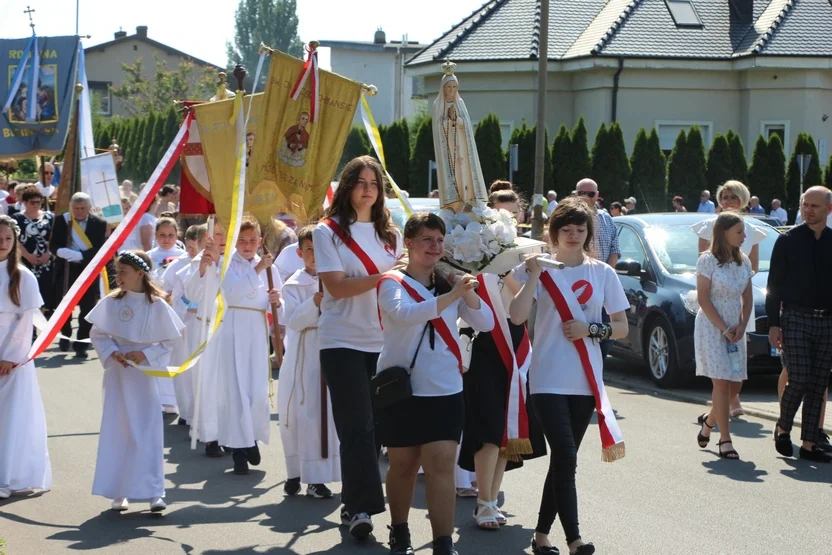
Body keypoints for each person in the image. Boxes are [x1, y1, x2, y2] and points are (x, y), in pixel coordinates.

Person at [510, 197, 628, 555]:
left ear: (588, 233)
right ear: (554, 233)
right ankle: (574, 538)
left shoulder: (602, 273)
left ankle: (542, 534)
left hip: (585, 379)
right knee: (565, 454)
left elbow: (621, 327)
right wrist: (533, 274)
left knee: (564, 459)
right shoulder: (539, 269)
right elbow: (516, 316)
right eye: (566, 230)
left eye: (580, 230)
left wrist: (591, 328)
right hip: (546, 377)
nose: (573, 236)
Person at [377, 213, 493, 555]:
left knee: (442, 463)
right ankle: (399, 531)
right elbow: (404, 314)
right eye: (427, 240)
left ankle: (443, 542)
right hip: (403, 390)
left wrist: (466, 292)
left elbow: (485, 322)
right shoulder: (390, 282)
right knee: (404, 465)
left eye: (439, 241)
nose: (434, 246)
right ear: (409, 244)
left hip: (444, 387)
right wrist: (451, 295)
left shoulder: (449, 282)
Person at [313, 155, 402, 539]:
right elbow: (336, 285)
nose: (368, 188)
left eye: (374, 182)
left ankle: (354, 502)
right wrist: (384, 276)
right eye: (360, 181)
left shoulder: (392, 235)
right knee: (356, 426)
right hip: (341, 340)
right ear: (347, 186)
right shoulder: (327, 231)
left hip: (385, 340)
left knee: (379, 428)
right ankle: (360, 507)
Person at [459, 190, 545, 532]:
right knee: (489, 429)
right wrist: (494, 263)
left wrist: (525, 269)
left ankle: (490, 499)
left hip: (515, 344)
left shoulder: (524, 258)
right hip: (484, 346)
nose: (508, 224)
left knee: (504, 432)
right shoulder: (473, 256)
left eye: (512, 217)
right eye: (500, 216)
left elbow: (523, 309)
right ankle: (483, 502)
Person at [86, 250, 184, 512]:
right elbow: (98, 334)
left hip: (145, 376)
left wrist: (145, 354)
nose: (118, 277)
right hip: (118, 374)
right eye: (116, 272)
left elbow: (169, 341)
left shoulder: (157, 305)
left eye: (123, 272)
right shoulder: (111, 302)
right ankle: (119, 490)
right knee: (119, 430)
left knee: (147, 431)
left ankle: (154, 491)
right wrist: (112, 352)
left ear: (140, 273)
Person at [189, 217, 282, 474]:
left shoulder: (268, 266)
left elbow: (274, 298)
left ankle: (251, 437)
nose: (248, 245)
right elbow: (232, 292)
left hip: (256, 331)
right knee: (237, 390)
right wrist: (257, 271)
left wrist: (276, 299)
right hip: (232, 330)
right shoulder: (228, 264)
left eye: (253, 240)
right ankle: (240, 450)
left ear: (260, 241)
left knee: (256, 390)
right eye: (242, 240)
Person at [768, 186, 832, 463]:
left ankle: (809, 444)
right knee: (800, 377)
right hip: (794, 317)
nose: (808, 210)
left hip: (827, 320)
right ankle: (783, 427)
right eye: (805, 204)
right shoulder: (788, 240)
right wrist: (773, 324)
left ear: (828, 210)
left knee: (819, 383)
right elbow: (774, 285)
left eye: (815, 206)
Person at [692, 181, 767, 417]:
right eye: (724, 197)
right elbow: (704, 261)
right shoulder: (708, 227)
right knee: (719, 364)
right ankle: (721, 407)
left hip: (737, 298)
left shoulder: (750, 230)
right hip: (715, 300)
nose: (728, 202)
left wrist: (737, 272)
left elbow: (752, 266)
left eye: (733, 197)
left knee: (737, 361)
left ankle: (726, 402)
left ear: (743, 200)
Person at [279, 225, 340, 500]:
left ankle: (319, 475)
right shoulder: (293, 284)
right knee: (305, 412)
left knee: (328, 414)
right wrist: (313, 302)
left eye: (320, 249)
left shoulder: (339, 278)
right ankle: (299, 472)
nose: (315, 255)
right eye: (309, 250)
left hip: (333, 346)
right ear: (299, 253)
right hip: (306, 351)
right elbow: (291, 320)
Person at [693, 212, 753, 460]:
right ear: (724, 232)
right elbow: (703, 298)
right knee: (721, 381)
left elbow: (747, 298)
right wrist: (723, 328)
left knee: (735, 384)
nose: (744, 236)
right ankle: (725, 440)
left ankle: (708, 422)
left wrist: (740, 324)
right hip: (712, 326)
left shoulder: (744, 261)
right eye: (739, 232)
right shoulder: (707, 260)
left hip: (735, 329)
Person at [0, 215, 51, 500]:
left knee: (10, 417)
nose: (3, 243)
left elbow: (25, 321)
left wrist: (11, 358)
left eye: (8, 238)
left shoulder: (23, 276)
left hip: (12, 357)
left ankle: (6, 475)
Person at [49, 192, 107, 358]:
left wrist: (81, 256)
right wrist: (61, 251)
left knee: (87, 307)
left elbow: (100, 249)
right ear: (71, 208)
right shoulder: (62, 221)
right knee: (64, 306)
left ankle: (81, 342)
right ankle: (65, 334)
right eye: (76, 208)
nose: (79, 212)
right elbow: (53, 244)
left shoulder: (99, 223)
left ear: (89, 208)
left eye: (83, 208)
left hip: (88, 269)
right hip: (66, 269)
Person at [161, 224, 207, 428]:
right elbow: (167, 294)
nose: (191, 251)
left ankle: (203, 412)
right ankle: (186, 411)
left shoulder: (212, 263)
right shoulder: (179, 265)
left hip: (207, 323)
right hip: (185, 323)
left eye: (195, 246)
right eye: (188, 246)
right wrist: (186, 304)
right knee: (184, 369)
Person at [432, 63, 488, 211]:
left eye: (454, 87)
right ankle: (454, 205)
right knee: (454, 175)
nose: (451, 90)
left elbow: (467, 125)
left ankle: (468, 202)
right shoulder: (438, 105)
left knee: (466, 174)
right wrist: (449, 120)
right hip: (448, 148)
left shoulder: (460, 103)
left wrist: (457, 119)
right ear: (443, 88)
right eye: (448, 87)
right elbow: (437, 128)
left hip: (462, 146)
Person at [574, 179, 620, 360]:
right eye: (581, 193)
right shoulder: (567, 220)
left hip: (601, 288)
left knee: (605, 338)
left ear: (597, 195)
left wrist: (606, 277)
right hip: (576, 287)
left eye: (590, 194)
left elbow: (615, 250)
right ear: (575, 194)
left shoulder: (606, 219)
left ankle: (596, 374)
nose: (586, 197)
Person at [13, 186, 55, 315]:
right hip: (25, 263)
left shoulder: (50, 217)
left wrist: (48, 254)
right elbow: (14, 239)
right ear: (25, 203)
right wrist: (27, 255)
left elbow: (55, 237)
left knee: (45, 296)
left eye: (38, 202)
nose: (36, 205)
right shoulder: (17, 218)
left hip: (46, 263)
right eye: (32, 202)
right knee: (27, 296)